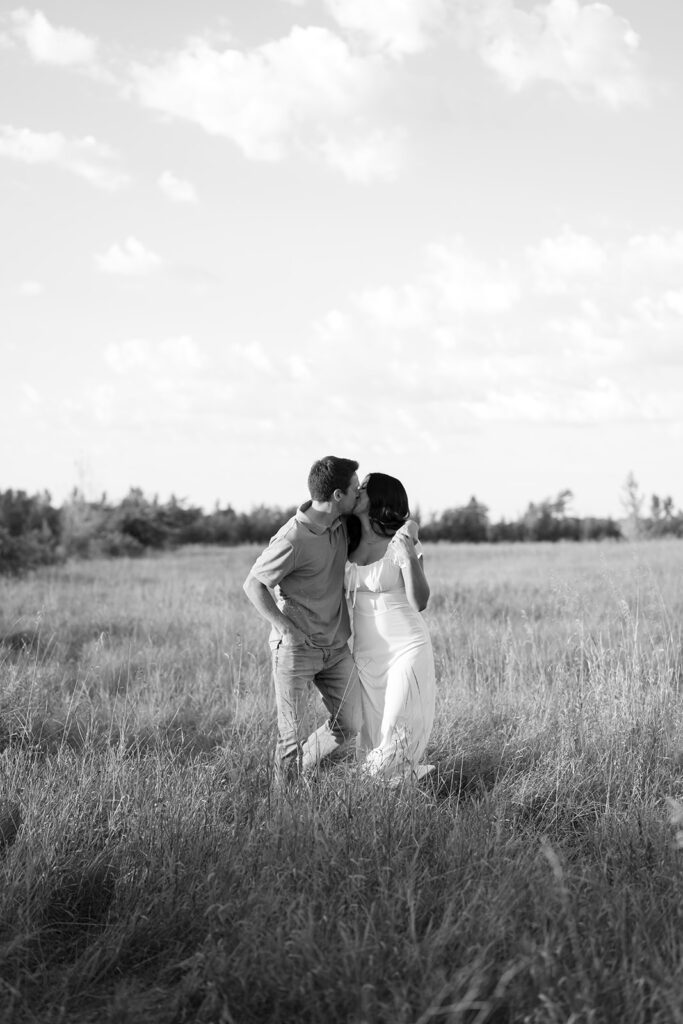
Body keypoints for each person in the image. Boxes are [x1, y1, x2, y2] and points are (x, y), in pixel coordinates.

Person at [243, 456, 362, 782]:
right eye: (355, 488)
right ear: (337, 495)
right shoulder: (293, 537)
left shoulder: (341, 525)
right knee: (290, 737)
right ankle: (285, 807)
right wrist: (286, 629)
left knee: (352, 722)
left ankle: (304, 766)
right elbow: (253, 585)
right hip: (297, 648)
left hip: (336, 648)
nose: (358, 494)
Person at [345, 473, 436, 781]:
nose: (357, 490)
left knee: (397, 728)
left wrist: (408, 552)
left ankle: (366, 782)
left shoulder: (402, 540)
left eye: (364, 487)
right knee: (372, 735)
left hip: (406, 647)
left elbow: (420, 601)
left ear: (380, 497)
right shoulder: (346, 539)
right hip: (365, 655)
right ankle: (396, 790)